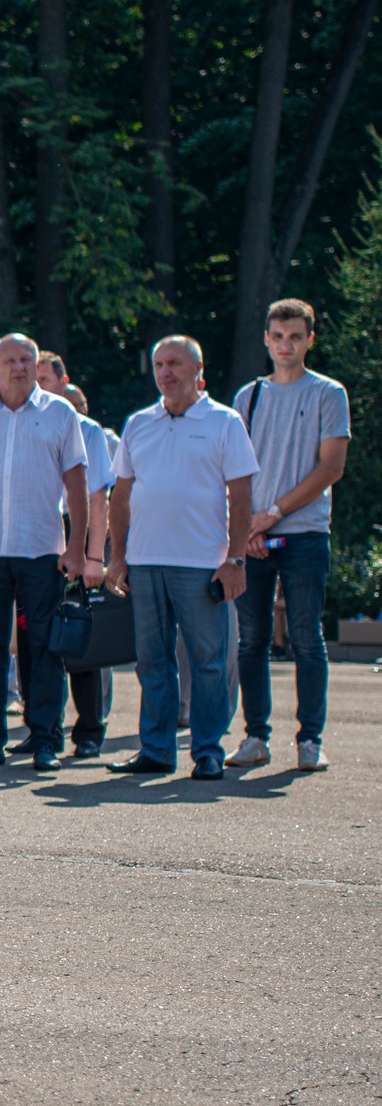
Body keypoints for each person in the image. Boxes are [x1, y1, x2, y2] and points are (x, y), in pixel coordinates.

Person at [105, 336, 259, 779]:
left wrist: (235, 560)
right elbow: (121, 494)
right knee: (152, 660)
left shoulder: (224, 422)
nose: (164, 372)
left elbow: (242, 492)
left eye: (174, 363)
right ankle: (155, 749)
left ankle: (208, 750)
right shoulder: (138, 423)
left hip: (201, 563)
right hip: (146, 561)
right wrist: (118, 557)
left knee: (208, 661)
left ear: (197, 369)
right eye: (158, 364)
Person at [0, 333, 90, 770]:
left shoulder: (60, 413)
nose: (19, 367)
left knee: (43, 646)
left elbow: (77, 485)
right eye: (10, 360)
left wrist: (76, 548)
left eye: (27, 359)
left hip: (42, 547)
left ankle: (45, 739)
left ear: (37, 363)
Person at [230, 300, 351, 774]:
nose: (286, 345)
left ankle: (310, 740)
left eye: (296, 337)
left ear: (310, 340)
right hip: (253, 537)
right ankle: (255, 737)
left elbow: (331, 467)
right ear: (265, 339)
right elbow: (233, 471)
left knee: (305, 637)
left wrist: (272, 514)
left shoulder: (328, 393)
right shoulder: (248, 397)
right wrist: (244, 528)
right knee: (252, 638)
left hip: (303, 534)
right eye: (278, 336)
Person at [37, 353, 119, 756]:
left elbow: (98, 498)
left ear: (63, 382)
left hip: (77, 532)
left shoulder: (87, 429)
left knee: (81, 635)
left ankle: (88, 731)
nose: (35, 386)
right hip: (36, 537)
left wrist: (93, 556)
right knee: (36, 636)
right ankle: (43, 730)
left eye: (44, 380)